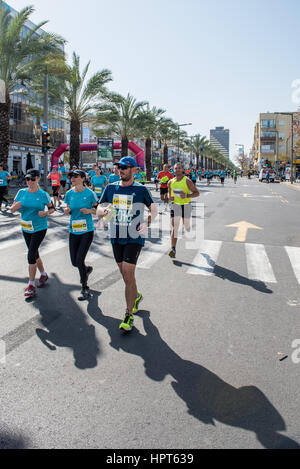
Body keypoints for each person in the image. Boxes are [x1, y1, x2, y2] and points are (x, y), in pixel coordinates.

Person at [97, 157, 158, 332]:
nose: (120, 170)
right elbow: (99, 207)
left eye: (124, 167)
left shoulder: (141, 189)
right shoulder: (111, 187)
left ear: (133, 170)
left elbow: (153, 209)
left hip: (134, 236)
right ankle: (136, 296)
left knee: (128, 275)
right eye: (119, 167)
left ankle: (128, 314)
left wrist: (147, 221)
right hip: (116, 236)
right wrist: (104, 211)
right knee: (126, 277)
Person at [10, 169, 55, 298]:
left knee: (31, 255)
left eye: (32, 179)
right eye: (27, 179)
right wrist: (14, 207)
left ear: (38, 179)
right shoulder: (21, 192)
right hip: (26, 228)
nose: (29, 182)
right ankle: (43, 274)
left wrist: (45, 213)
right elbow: (13, 209)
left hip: (39, 228)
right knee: (35, 254)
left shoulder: (43, 195)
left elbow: (52, 209)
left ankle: (31, 285)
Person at [64, 170, 99, 301]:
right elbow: (68, 209)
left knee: (79, 260)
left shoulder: (90, 194)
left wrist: (89, 210)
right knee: (74, 262)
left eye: (75, 176)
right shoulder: (69, 194)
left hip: (87, 231)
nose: (72, 178)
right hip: (74, 230)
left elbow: (98, 210)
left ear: (83, 178)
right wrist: (67, 211)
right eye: (71, 176)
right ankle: (86, 270)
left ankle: (85, 287)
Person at [168, 163, 200, 259]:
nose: (177, 170)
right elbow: (169, 195)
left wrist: (186, 196)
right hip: (175, 206)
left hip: (186, 206)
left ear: (182, 169)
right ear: (173, 170)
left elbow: (197, 193)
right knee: (175, 226)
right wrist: (170, 197)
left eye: (179, 168)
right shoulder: (170, 182)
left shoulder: (187, 181)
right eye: (175, 168)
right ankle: (173, 249)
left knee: (186, 225)